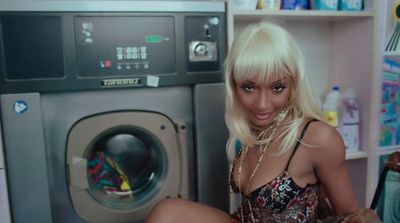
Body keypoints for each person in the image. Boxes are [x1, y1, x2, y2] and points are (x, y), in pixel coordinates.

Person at [146, 22, 380, 223]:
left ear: (294, 84)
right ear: (233, 85)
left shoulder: (317, 138)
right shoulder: (253, 128)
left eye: (277, 88)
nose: (262, 104)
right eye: (249, 87)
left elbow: (352, 216)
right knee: (166, 211)